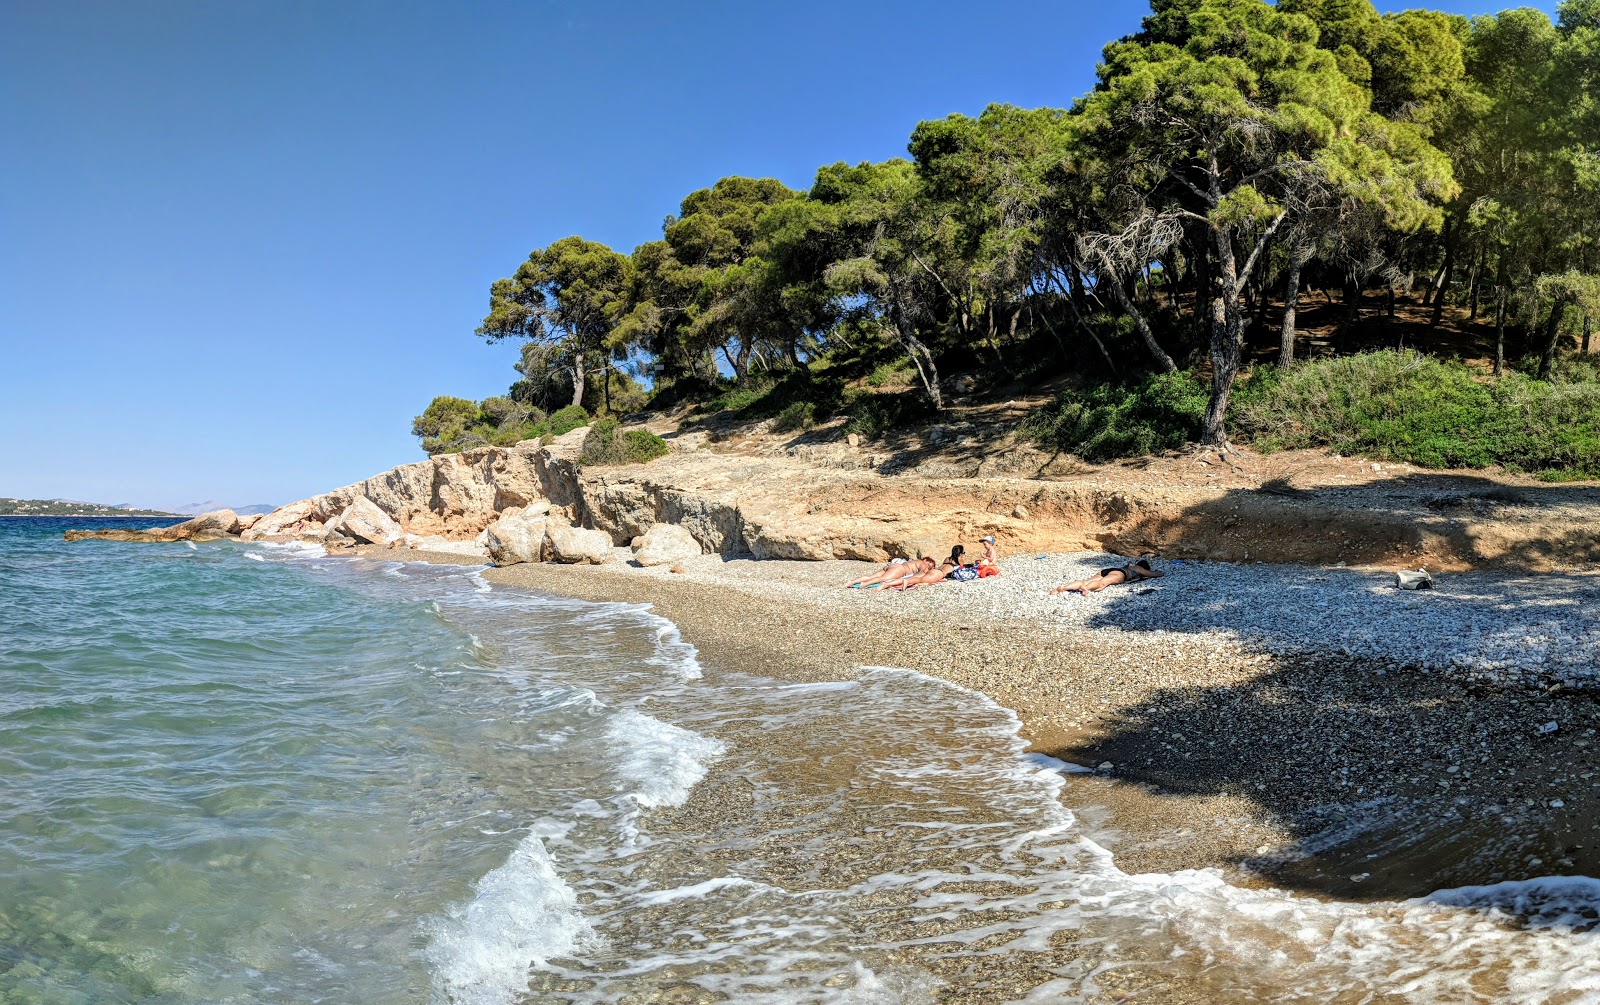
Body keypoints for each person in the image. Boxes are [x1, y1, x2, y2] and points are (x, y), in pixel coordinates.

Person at [1050, 558, 1164, 596]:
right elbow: (1154, 574)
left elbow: (1130, 562)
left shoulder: (1130, 565)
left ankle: (1064, 588)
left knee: (1086, 580)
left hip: (1107, 570)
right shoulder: (1138, 569)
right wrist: (1158, 573)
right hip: (1120, 574)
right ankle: (1087, 588)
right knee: (1102, 583)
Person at [847, 556, 933, 589]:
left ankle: (852, 582)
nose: (929, 566)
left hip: (893, 565)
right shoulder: (922, 564)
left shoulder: (915, 561)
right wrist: (916, 579)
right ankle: (864, 584)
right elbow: (923, 571)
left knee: (871, 576)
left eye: (931, 567)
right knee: (882, 579)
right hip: (900, 569)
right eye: (929, 564)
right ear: (925, 560)